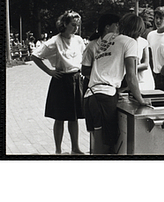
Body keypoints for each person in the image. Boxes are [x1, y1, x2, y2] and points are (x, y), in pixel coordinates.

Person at [82, 13, 151, 154]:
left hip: (90, 95)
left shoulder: (107, 38)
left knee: (97, 143)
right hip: (104, 98)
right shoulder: (131, 43)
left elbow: (107, 67)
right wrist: (141, 100)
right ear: (138, 31)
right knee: (104, 148)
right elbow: (131, 76)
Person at [31, 10, 86, 155]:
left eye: (78, 25)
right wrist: (49, 71)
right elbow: (35, 56)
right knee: (60, 117)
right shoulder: (54, 41)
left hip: (76, 78)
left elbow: (83, 58)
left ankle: (75, 148)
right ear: (64, 24)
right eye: (73, 25)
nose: (76, 28)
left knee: (74, 117)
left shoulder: (78, 40)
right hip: (61, 81)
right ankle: (58, 150)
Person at [82, 13, 120, 93]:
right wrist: (101, 75)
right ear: (107, 27)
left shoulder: (118, 45)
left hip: (112, 87)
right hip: (94, 88)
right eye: (116, 25)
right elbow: (84, 70)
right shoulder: (92, 45)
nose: (118, 28)